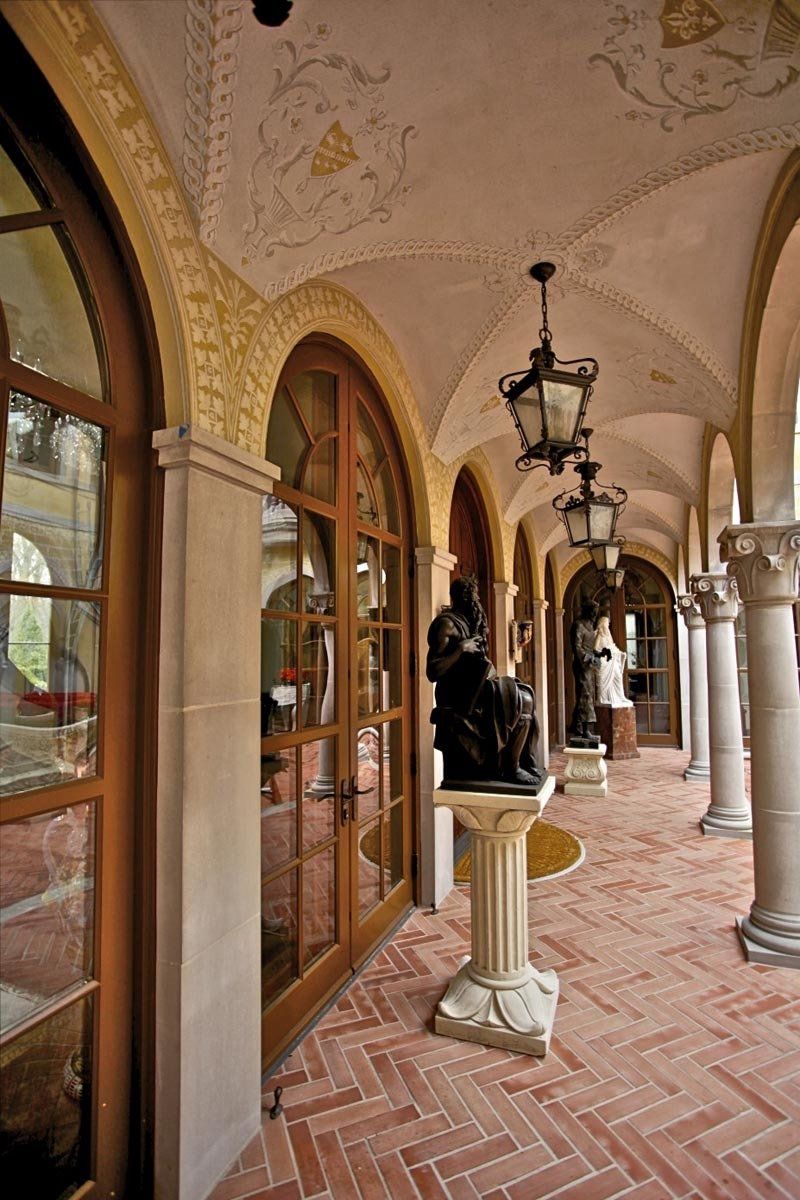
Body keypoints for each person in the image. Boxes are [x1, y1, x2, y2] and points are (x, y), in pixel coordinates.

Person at [426, 575, 544, 788]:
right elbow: (432, 671)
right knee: (520, 699)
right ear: (461, 598)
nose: (476, 601)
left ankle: (523, 760)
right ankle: (511, 768)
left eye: (475, 596)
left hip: (475, 688)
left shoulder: (469, 622)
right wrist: (462, 649)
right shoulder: (446, 625)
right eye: (472, 596)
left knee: (525, 692)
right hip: (457, 695)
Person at [568, 599, 610, 744]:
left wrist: (599, 655)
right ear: (587, 610)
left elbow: (591, 647)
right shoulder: (578, 625)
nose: (595, 613)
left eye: (596, 610)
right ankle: (585, 730)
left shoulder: (591, 625)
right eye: (593, 610)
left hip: (589, 666)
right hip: (581, 665)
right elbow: (577, 647)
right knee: (585, 695)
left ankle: (576, 725)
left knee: (586, 695)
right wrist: (588, 658)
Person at [594, 614, 633, 708]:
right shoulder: (599, 636)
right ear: (602, 624)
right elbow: (595, 650)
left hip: (612, 662)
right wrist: (604, 654)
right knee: (603, 682)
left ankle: (620, 696)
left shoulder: (608, 637)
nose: (607, 626)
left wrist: (621, 654)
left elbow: (613, 648)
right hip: (604, 662)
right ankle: (603, 698)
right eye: (607, 624)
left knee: (618, 677)